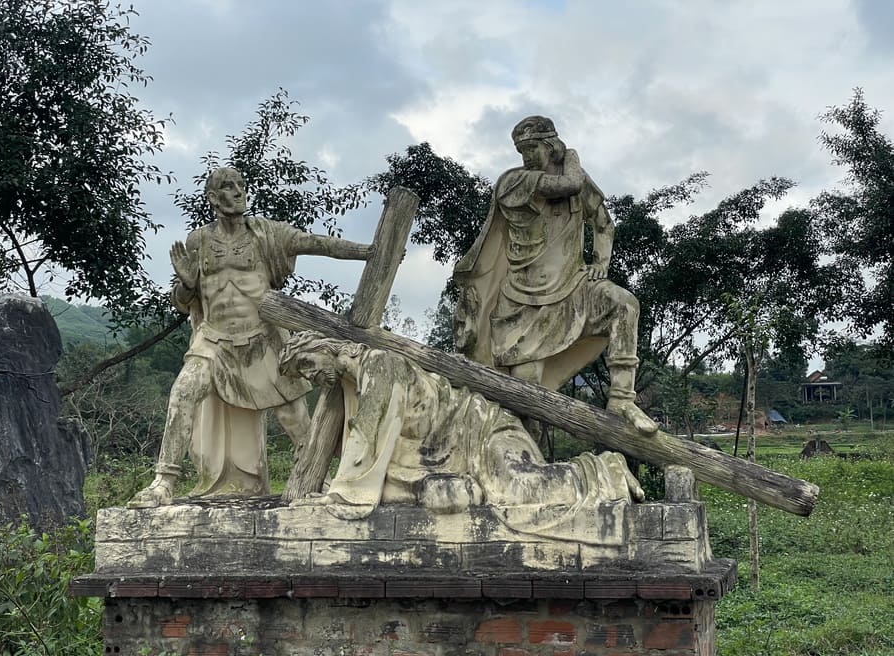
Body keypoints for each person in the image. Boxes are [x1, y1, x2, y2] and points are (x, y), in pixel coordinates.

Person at [128, 168, 372, 507]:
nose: (239, 192)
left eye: (242, 186)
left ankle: (320, 480)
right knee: (183, 393)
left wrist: (368, 251)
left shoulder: (265, 233)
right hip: (213, 341)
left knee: (294, 418)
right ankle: (163, 483)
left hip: (264, 339)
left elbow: (314, 243)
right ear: (213, 197)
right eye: (229, 187)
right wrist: (185, 284)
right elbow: (186, 302)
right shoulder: (198, 240)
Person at [278, 331, 643, 543]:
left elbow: (367, 443)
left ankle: (604, 470)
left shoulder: (380, 366)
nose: (311, 378)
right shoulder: (351, 386)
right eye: (303, 375)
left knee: (520, 491)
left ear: (327, 348)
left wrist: (340, 500)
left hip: (483, 433)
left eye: (308, 365)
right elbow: (382, 451)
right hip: (451, 456)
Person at [453, 116, 657, 435]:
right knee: (525, 399)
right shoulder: (514, 182)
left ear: (550, 145)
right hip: (522, 302)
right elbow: (568, 185)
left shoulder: (576, 182)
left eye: (532, 148)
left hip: (574, 288)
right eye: (521, 150)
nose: (526, 156)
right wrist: (572, 156)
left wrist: (601, 263)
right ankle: (522, 459)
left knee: (623, 304)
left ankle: (622, 399)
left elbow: (603, 224)